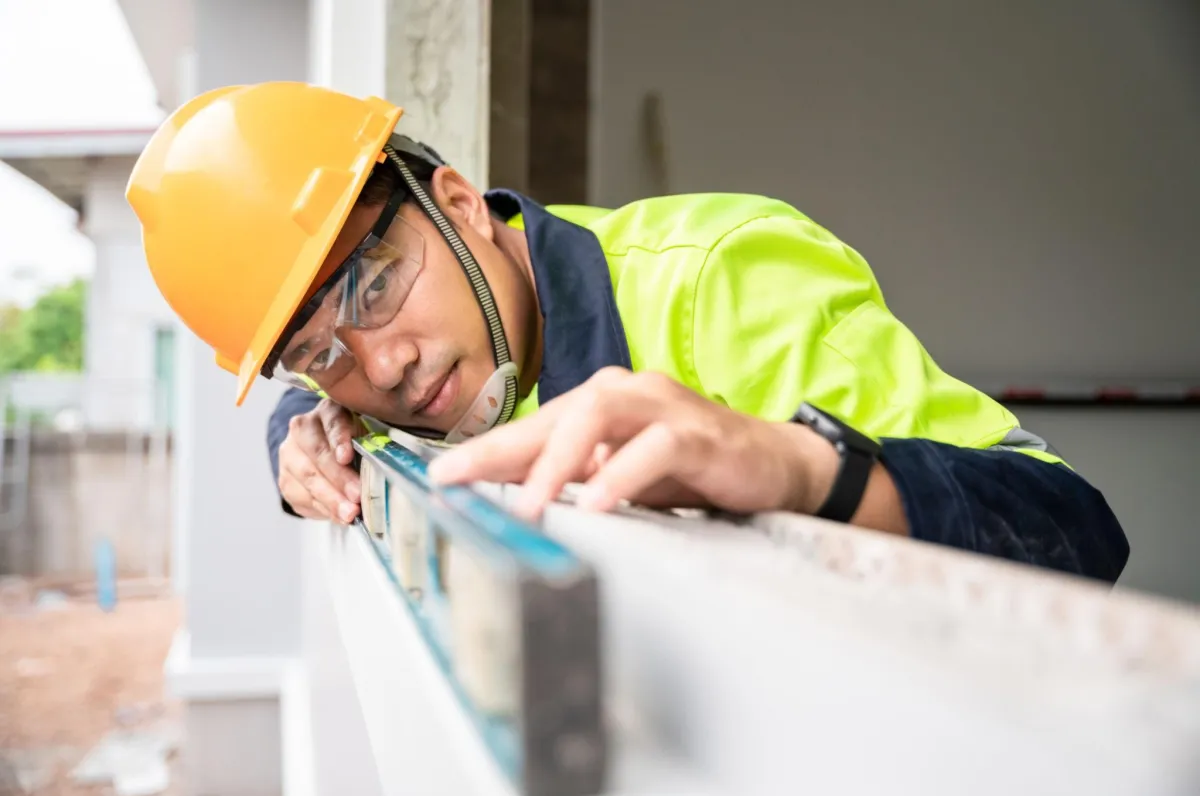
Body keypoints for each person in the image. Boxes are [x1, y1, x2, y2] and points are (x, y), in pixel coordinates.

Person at [127, 81, 1128, 582]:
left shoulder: (720, 272)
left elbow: (1078, 531)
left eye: (377, 285)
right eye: (317, 354)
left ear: (461, 202)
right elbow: (321, 395)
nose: (383, 365)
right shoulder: (387, 390)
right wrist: (292, 438)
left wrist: (796, 468)